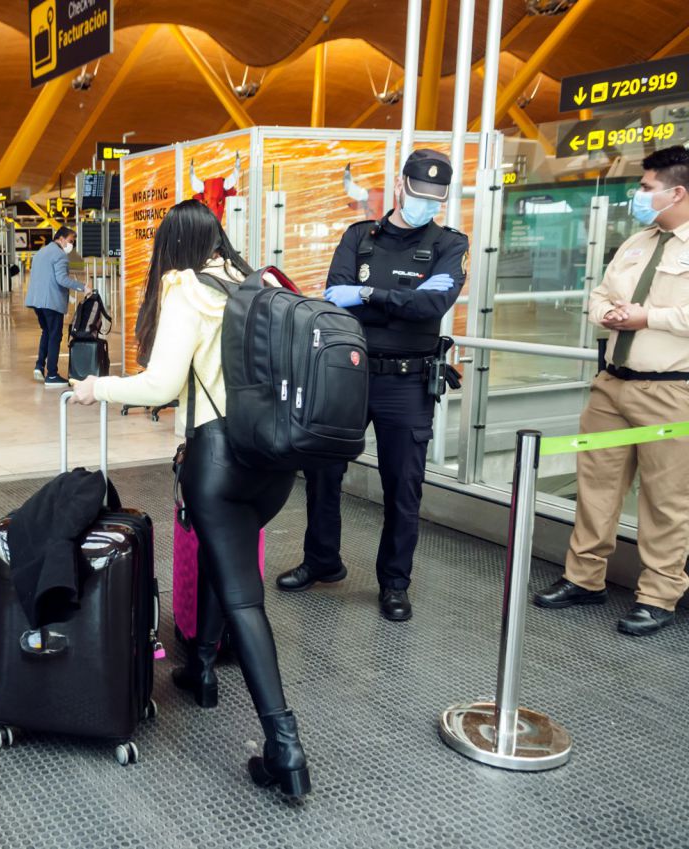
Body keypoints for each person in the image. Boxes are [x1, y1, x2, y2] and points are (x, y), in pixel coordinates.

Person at [71, 200, 308, 799]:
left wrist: (96, 387)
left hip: (220, 459)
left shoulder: (187, 290)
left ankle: (285, 747)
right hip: (275, 463)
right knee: (222, 557)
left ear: (172, 247)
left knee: (243, 597)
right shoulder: (256, 283)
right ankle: (200, 666)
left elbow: (161, 384)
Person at [274, 149, 469, 622]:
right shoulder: (359, 237)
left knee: (403, 486)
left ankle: (395, 584)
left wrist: (367, 294)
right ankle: (322, 560)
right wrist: (402, 299)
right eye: (419, 194)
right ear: (400, 186)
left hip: (408, 382)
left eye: (435, 198)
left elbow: (431, 306)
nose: (426, 204)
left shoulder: (449, 244)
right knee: (322, 471)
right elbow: (334, 298)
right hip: (350, 373)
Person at [534, 145, 689, 636]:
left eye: (646, 187)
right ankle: (584, 579)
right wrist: (609, 313)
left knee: (666, 501)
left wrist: (649, 318)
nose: (638, 195)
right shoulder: (637, 242)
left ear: (677, 193)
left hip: (671, 393)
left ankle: (658, 596)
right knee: (596, 489)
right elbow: (600, 293)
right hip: (611, 386)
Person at [25, 225, 90, 389]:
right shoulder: (60, 255)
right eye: (70, 240)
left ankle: (39, 366)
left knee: (46, 332)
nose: (71, 244)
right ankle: (52, 375)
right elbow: (62, 279)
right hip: (51, 302)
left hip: (37, 301)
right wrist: (82, 287)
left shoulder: (41, 253)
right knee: (55, 336)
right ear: (61, 239)